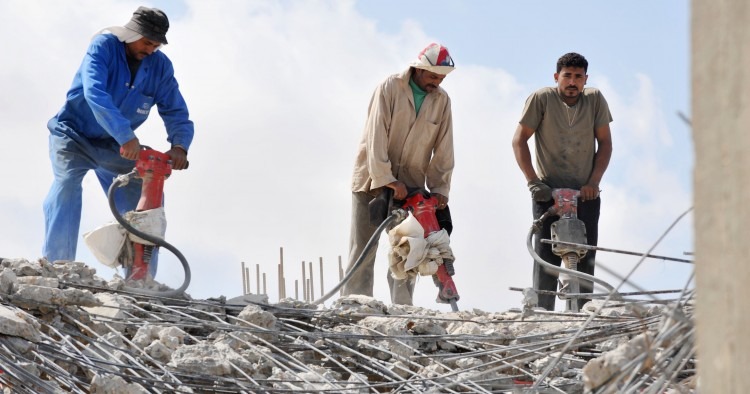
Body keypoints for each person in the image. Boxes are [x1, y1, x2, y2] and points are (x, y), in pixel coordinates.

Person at [42, 6, 194, 279]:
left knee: (144, 200)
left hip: (115, 146)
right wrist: (125, 135)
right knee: (66, 187)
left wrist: (180, 145)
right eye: (147, 42)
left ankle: (140, 279)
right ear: (131, 33)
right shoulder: (104, 46)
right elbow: (95, 93)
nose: (151, 49)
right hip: (73, 135)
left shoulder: (160, 66)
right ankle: (57, 269)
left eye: (156, 45)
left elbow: (175, 109)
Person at [342, 43, 456, 305]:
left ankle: (403, 311)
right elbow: (376, 135)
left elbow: (444, 149)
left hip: (411, 187)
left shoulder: (442, 100)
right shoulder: (390, 88)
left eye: (441, 78)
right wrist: (388, 180)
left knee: (409, 250)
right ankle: (356, 307)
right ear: (418, 69)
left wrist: (440, 190)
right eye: (432, 76)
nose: (437, 82)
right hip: (372, 181)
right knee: (363, 248)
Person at [511, 52, 613, 311]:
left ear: (585, 79)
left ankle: (581, 316)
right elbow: (519, 140)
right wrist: (534, 182)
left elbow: (605, 143)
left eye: (578, 77)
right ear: (556, 77)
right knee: (546, 256)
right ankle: (545, 315)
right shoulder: (542, 99)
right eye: (567, 76)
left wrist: (594, 182)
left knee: (585, 256)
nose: (572, 82)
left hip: (585, 193)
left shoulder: (594, 100)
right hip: (549, 192)